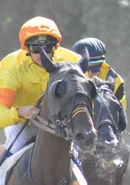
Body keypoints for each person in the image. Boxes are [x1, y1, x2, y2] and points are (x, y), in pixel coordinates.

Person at [0, 17, 81, 155]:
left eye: (47, 47)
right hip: (23, 122)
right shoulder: (11, 67)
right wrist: (19, 112)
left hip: (60, 121)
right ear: (26, 49)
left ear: (55, 47)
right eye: (36, 49)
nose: (42, 54)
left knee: (81, 151)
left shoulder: (72, 61)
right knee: (18, 145)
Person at [72, 37, 127, 109]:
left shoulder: (117, 84)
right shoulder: (67, 79)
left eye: (95, 68)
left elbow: (120, 113)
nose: (90, 73)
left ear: (101, 66)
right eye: (85, 69)